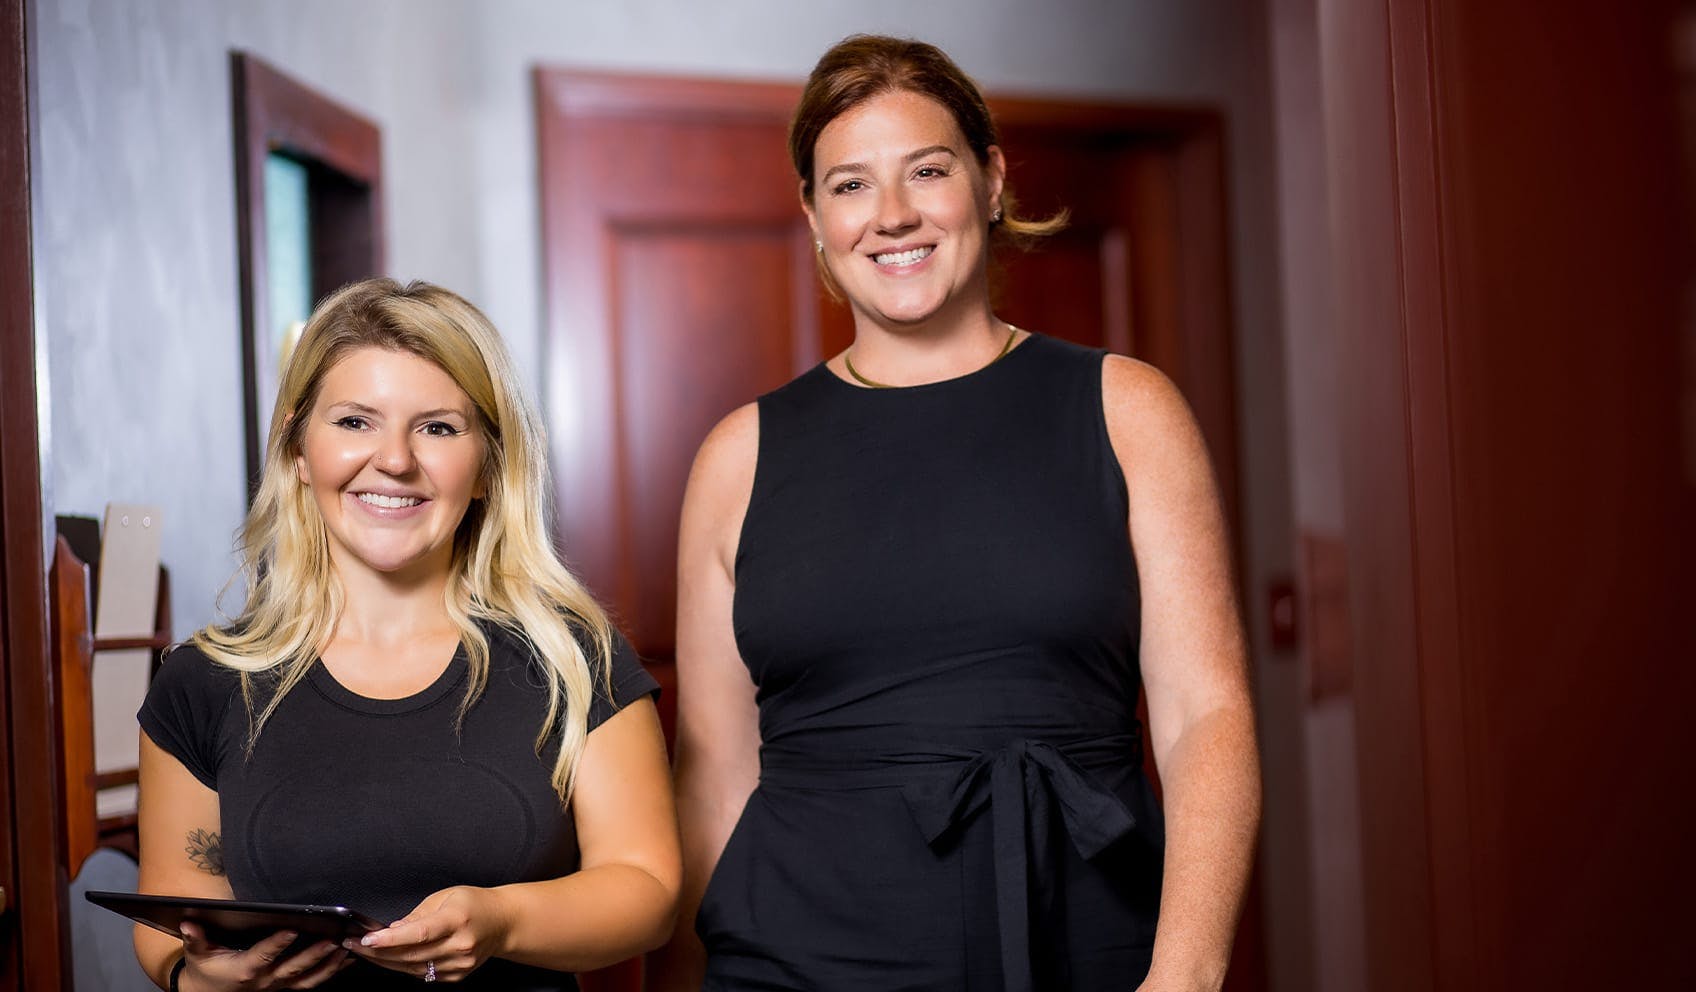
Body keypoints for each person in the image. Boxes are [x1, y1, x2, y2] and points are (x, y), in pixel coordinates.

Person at [655, 35, 1260, 992]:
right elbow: (713, 777)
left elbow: (1205, 717)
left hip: (1083, 944)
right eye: (850, 186)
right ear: (813, 216)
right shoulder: (739, 456)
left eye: (926, 172)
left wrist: (1183, 974)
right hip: (791, 960)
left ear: (988, 180)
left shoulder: (1126, 410)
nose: (892, 216)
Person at [134, 279, 680, 990]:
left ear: (487, 464)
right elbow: (173, 921)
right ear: (299, 450)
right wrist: (200, 982)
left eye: (438, 428)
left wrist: (502, 920)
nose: (394, 460)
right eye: (355, 422)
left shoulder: (572, 659)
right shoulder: (201, 683)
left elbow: (648, 891)